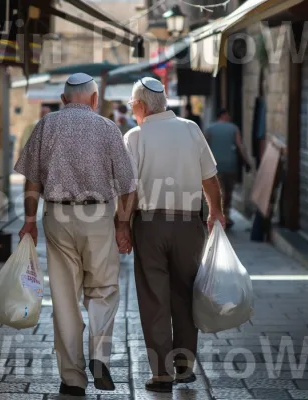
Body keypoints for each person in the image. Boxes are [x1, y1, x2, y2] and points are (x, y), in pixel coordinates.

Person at [14, 73, 136, 397]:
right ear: (94, 100)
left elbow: (32, 181)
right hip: (98, 216)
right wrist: (123, 226)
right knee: (104, 288)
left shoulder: (46, 125)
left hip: (57, 215)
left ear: (64, 98)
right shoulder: (109, 128)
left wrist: (29, 220)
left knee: (65, 298)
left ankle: (72, 380)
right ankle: (99, 356)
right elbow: (128, 186)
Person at [122, 78, 225, 393]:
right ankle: (185, 367)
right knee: (184, 294)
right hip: (187, 225)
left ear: (140, 106)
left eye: (132, 106)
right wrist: (215, 213)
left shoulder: (135, 136)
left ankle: (162, 374)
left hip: (150, 225)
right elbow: (210, 178)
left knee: (154, 299)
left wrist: (122, 226)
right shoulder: (190, 129)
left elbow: (130, 190)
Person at [205, 109, 252, 228]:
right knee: (229, 192)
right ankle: (225, 215)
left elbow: (204, 147)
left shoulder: (209, 129)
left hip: (214, 166)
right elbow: (240, 145)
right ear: (224, 115)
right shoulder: (233, 128)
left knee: (217, 191)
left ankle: (216, 215)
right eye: (228, 115)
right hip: (230, 165)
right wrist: (246, 161)